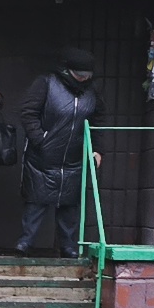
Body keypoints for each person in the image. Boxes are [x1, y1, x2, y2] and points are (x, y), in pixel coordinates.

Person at [16, 48, 102, 257]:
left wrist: (96, 149)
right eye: (79, 75)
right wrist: (41, 139)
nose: (83, 79)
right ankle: (25, 243)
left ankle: (68, 246)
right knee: (36, 201)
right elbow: (28, 112)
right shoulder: (46, 83)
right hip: (43, 156)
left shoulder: (91, 92)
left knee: (70, 204)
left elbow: (98, 121)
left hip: (74, 157)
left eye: (87, 76)